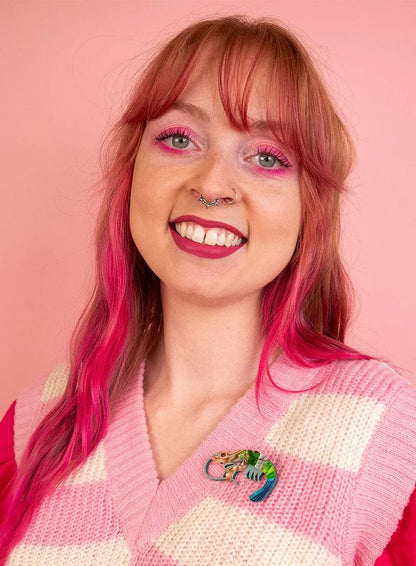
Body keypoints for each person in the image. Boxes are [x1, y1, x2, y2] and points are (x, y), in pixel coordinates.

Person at [0, 15, 415, 565]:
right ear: (132, 172)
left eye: (267, 157)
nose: (213, 184)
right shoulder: (36, 421)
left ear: (308, 207)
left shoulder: (381, 428)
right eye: (179, 139)